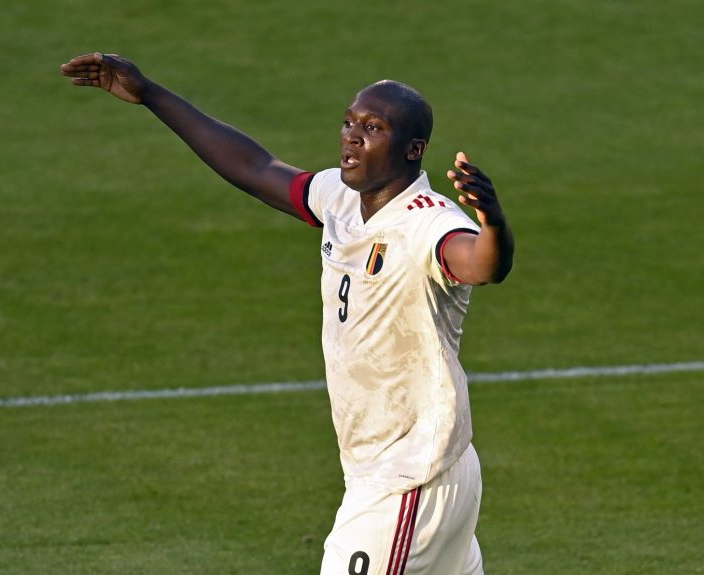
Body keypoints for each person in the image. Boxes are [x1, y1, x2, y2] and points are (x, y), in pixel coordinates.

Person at [60, 52, 515, 575]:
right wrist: (149, 94)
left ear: (413, 150)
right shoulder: (341, 199)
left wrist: (494, 222)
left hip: (409, 477)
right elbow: (255, 169)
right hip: (407, 466)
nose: (352, 136)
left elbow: (482, 264)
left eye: (373, 128)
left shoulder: (427, 223)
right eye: (349, 122)